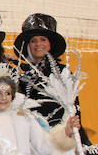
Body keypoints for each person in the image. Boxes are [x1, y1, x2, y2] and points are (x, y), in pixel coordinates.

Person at [14, 13, 92, 147]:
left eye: (43, 39)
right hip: (33, 144)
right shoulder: (22, 78)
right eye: (33, 40)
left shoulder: (62, 73)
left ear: (50, 44)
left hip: (60, 140)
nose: (38, 44)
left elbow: (73, 109)